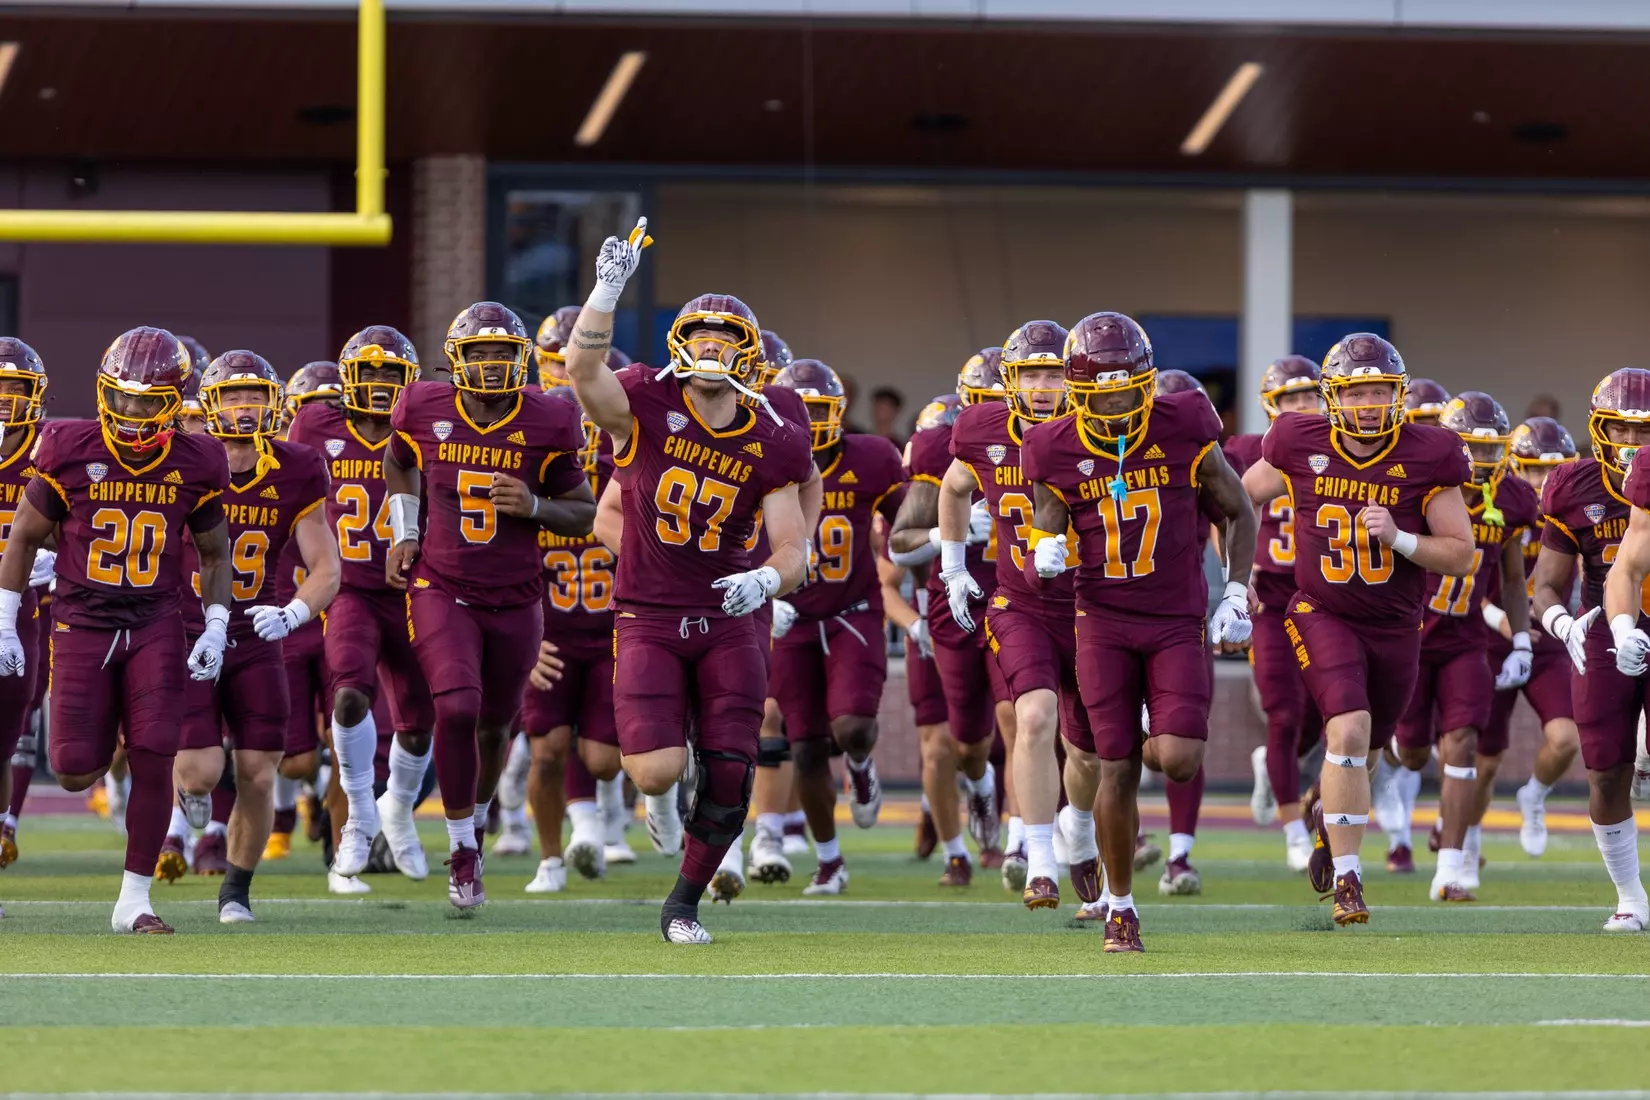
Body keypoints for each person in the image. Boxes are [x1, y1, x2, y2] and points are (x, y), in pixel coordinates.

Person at [562, 218, 813, 944]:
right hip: (647, 612)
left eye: (726, 339)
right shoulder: (644, 400)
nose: (710, 349)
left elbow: (794, 549)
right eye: (699, 337)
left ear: (751, 356)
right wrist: (606, 292)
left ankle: (683, 905)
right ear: (679, 347)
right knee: (653, 772)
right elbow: (582, 372)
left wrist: (764, 581)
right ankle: (664, 802)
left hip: (731, 615)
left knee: (732, 768)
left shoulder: (773, 433)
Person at [1021, 312, 1255, 951]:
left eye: (1131, 389)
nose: (1121, 404)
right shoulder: (1052, 445)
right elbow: (1047, 522)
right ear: (1081, 391)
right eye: (1106, 393)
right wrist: (1044, 547)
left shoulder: (1184, 424)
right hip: (1101, 621)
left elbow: (1238, 509)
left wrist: (1236, 589)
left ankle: (1142, 742)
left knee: (1178, 759)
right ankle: (1119, 907)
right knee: (1113, 767)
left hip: (1176, 619)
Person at [0, 326, 232, 934]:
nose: (130, 411)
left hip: (155, 619)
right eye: (121, 396)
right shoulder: (67, 445)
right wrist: (5, 621)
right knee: (76, 767)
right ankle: (112, 757)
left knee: (156, 752)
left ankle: (134, 899)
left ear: (174, 402)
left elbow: (214, 551)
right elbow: (23, 536)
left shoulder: (197, 459)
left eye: (146, 400)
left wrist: (213, 625)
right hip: (81, 617)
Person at [1242, 334, 1474, 926]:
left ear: (1398, 395)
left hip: (1397, 625)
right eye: (1357, 391)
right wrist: (1229, 578)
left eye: (1379, 391)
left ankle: (1328, 820)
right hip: (1321, 610)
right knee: (1347, 729)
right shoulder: (1298, 439)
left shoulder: (1431, 453)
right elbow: (1237, 501)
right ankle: (1348, 880)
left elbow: (1459, 553)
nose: (1368, 403)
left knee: (1367, 754)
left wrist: (1399, 538)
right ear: (1334, 396)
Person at [385, 302, 594, 909]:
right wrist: (404, 531)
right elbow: (398, 465)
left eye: (503, 354)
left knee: (496, 724)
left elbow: (581, 512)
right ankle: (461, 849)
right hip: (441, 586)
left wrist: (533, 506)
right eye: (479, 354)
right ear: (456, 360)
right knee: (456, 706)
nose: (492, 365)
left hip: (516, 595)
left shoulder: (551, 418)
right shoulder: (422, 405)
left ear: (523, 360)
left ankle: (474, 820)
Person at [161, 351, 339, 922]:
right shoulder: (180, 461)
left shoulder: (297, 466)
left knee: (261, 772)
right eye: (233, 396)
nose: (244, 408)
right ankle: (183, 804)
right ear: (208, 406)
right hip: (187, 631)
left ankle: (236, 890)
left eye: (255, 396)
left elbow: (327, 567)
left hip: (257, 632)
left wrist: (292, 615)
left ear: (275, 404)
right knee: (199, 773)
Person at [938, 320, 1101, 909]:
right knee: (1033, 718)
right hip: (1020, 602)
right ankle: (1038, 857)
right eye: (1031, 373)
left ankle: (1078, 829)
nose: (1041, 385)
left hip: (1093, 608)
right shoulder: (981, 427)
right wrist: (954, 566)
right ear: (1009, 379)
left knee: (1089, 751)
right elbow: (954, 487)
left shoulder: (1101, 430)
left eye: (1053, 372)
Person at [287, 326, 435, 893]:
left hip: (415, 589)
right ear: (346, 379)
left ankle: (397, 807)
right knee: (349, 692)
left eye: (389, 373)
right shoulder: (316, 425)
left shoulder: (423, 428)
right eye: (368, 372)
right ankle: (357, 818)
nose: (377, 384)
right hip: (347, 587)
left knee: (418, 727)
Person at [1392, 391, 1537, 902]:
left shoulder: (1514, 499)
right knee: (1410, 753)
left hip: (1465, 640)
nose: (1482, 462)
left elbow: (1515, 580)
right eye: (1472, 448)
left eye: (1492, 449)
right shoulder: (1420, 487)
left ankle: (1450, 868)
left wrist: (1519, 639)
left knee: (1463, 744)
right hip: (1409, 633)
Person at [768, 359, 905, 895]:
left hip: (852, 611)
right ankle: (829, 860)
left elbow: (905, 515)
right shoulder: (760, 456)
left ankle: (863, 763)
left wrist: (936, 537)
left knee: (851, 727)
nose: (808, 422)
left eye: (818, 411)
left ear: (840, 414)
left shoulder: (871, 457)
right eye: (798, 410)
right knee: (803, 747)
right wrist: (759, 592)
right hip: (792, 615)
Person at [890, 351, 1011, 886]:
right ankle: (956, 847)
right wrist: (948, 533)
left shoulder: (1052, 438)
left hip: (1017, 602)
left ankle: (1036, 846)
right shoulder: (941, 447)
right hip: (944, 610)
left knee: (1025, 723)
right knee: (947, 746)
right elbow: (897, 548)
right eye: (982, 404)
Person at [1546, 368, 1650, 931]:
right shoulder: (1575, 487)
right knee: (1605, 768)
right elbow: (1548, 582)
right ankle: (1630, 896)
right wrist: (1564, 623)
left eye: (1645, 432)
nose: (1633, 445)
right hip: (1606, 632)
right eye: (1622, 430)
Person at [1223, 356, 1324, 873]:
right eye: (1291, 399)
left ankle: (1273, 766)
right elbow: (1220, 509)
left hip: (1323, 596)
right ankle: (1292, 829)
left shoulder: (1338, 448)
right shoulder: (1245, 451)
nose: (1303, 407)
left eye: (1310, 397)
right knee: (1284, 712)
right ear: (1272, 405)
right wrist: (1237, 576)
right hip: (1269, 596)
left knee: (1318, 715)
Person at [518, 383, 619, 893]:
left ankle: (605, 822)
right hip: (551, 636)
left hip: (611, 636)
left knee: (604, 761)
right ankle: (550, 860)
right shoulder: (528, 486)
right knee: (547, 750)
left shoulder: (623, 481)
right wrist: (525, 638)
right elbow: (506, 567)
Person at [1479, 418, 1580, 857]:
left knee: (1566, 738)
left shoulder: (1578, 512)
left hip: (1550, 642)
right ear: (1514, 468)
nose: (1544, 481)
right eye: (1534, 469)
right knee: (1482, 761)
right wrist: (1501, 621)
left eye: (1554, 470)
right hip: (1491, 642)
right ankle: (1466, 841)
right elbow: (1466, 587)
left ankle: (1534, 795)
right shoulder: (1492, 507)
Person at [0, 339, 50, 882]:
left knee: (6, 733)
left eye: (15, 387)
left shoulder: (48, 450)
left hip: (23, 604)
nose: (4, 399)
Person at [872, 386, 907, 451]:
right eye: (877, 405)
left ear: (895, 411)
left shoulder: (898, 446)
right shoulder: (864, 442)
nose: (878, 410)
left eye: (883, 407)